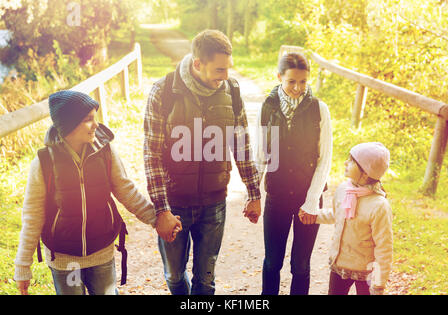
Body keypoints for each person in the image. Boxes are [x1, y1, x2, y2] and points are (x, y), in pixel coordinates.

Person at [14, 90, 181, 295]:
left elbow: (126, 190)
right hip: (66, 260)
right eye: (88, 119)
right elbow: (32, 215)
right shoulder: (44, 162)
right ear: (69, 125)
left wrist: (157, 219)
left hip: (101, 252)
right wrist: (23, 266)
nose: (96, 125)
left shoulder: (105, 152)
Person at [144, 29, 261, 295]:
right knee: (174, 276)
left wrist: (254, 193)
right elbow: (151, 156)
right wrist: (162, 209)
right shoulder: (163, 92)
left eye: (228, 68)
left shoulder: (231, 91)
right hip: (175, 204)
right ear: (198, 64)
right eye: (219, 70)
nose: (226, 76)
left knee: (205, 282)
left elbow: (241, 144)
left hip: (214, 203)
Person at [255, 52, 332, 295]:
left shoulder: (320, 110)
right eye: (291, 81)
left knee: (300, 265)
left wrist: (311, 202)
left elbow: (324, 160)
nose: (297, 87)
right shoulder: (267, 107)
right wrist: (252, 194)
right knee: (272, 262)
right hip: (276, 197)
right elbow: (260, 156)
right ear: (279, 77)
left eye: (303, 82)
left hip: (308, 199)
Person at [301, 142, 393, 295]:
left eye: (351, 161)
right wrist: (315, 216)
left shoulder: (379, 206)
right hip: (340, 265)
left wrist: (378, 285)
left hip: (366, 272)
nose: (345, 163)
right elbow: (339, 214)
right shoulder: (344, 189)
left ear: (365, 172)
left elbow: (384, 249)